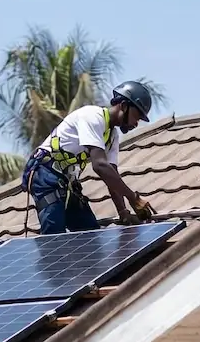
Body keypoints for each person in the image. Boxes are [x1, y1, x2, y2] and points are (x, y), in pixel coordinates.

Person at [21, 80, 158, 235]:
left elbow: (111, 176)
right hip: (45, 175)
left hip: (67, 182)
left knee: (90, 232)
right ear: (124, 106)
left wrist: (123, 212)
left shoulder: (112, 136)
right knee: (54, 236)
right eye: (137, 115)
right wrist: (134, 198)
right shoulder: (92, 117)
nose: (136, 123)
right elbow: (99, 166)